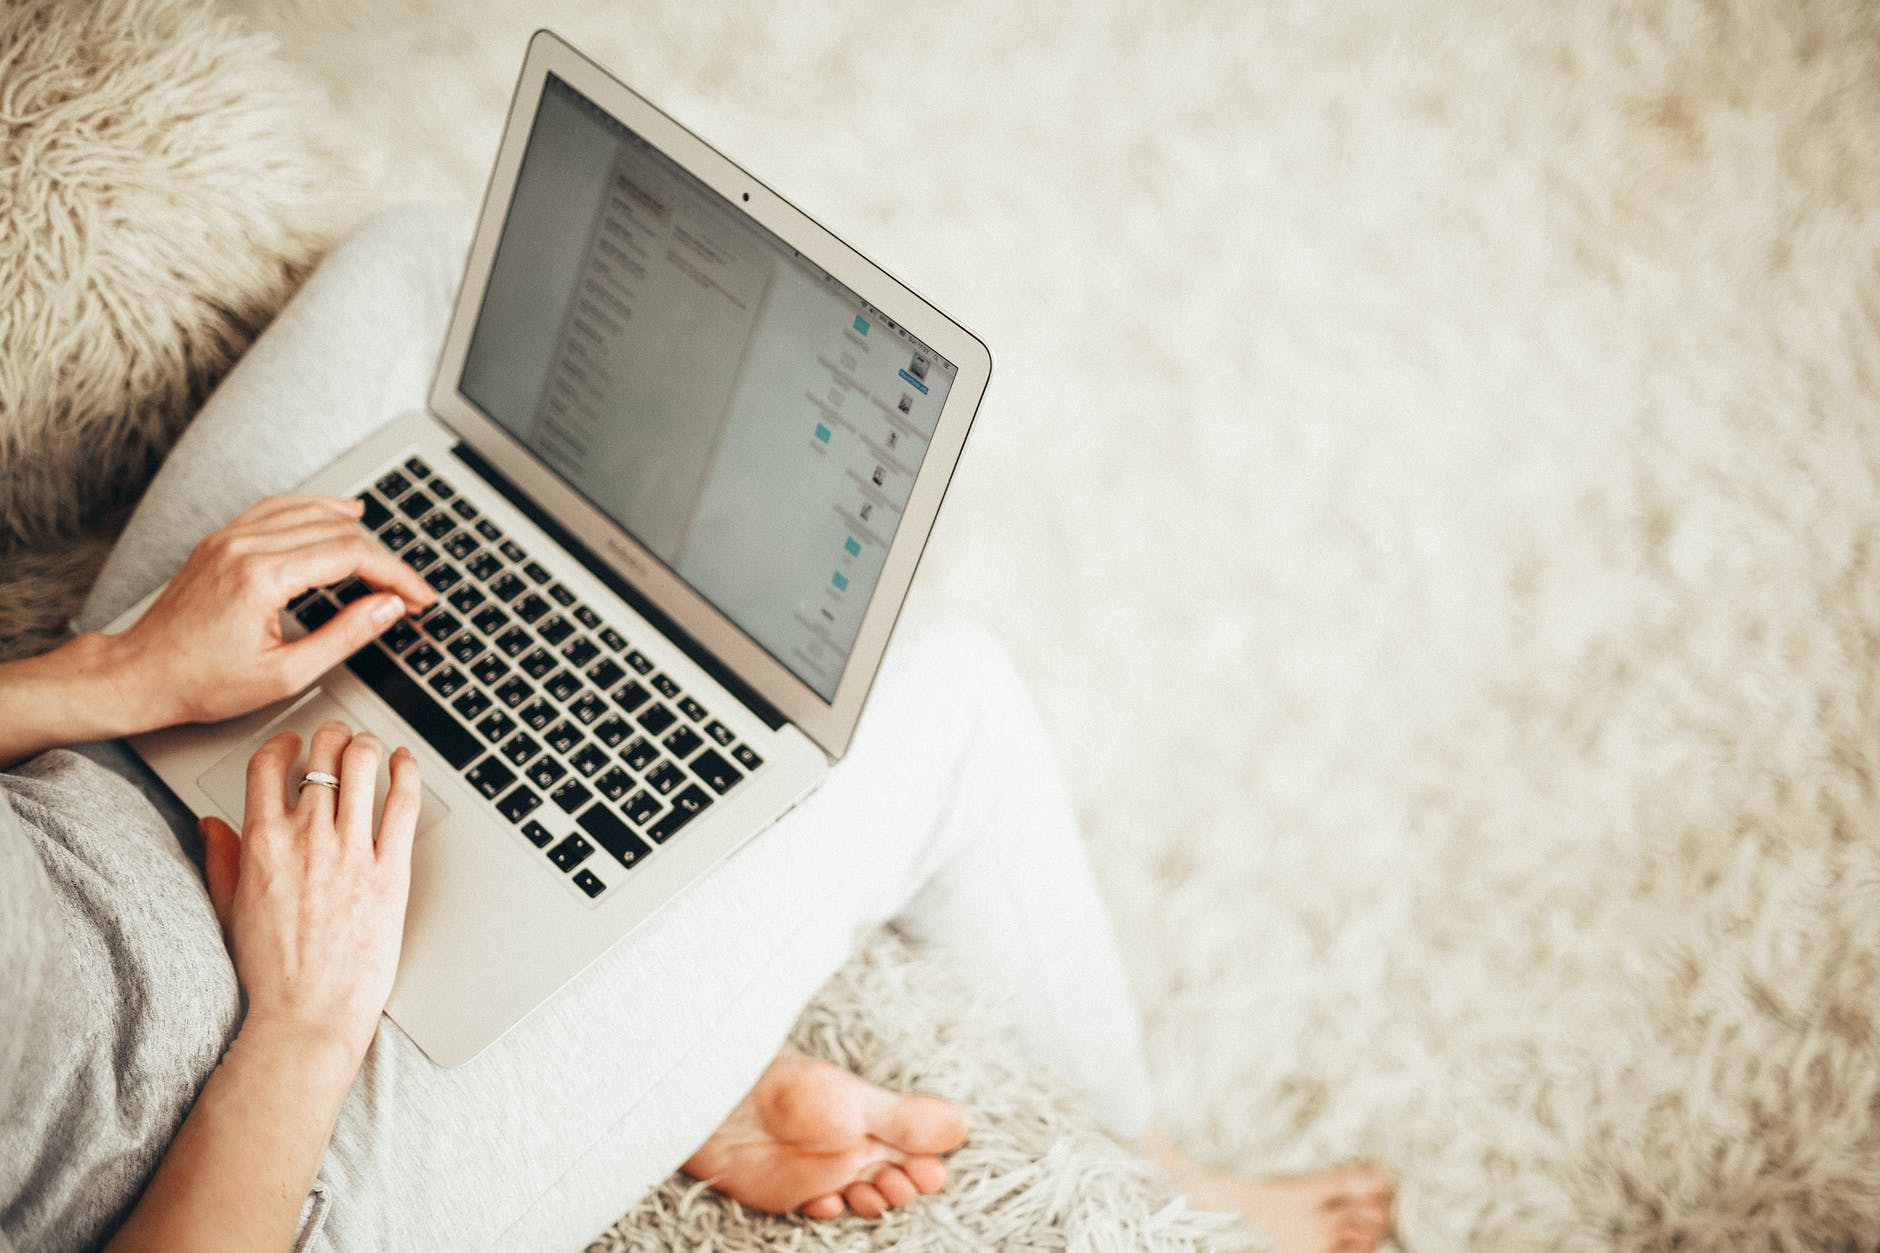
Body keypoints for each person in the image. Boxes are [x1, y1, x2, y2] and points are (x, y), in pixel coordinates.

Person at [0, 208, 1395, 1253]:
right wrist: (306, 1023)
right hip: (279, 1141)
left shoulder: (120, 698)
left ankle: (645, 996)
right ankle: (1163, 1170)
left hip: (110, 767)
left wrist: (117, 676)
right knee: (949, 700)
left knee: (432, 264)